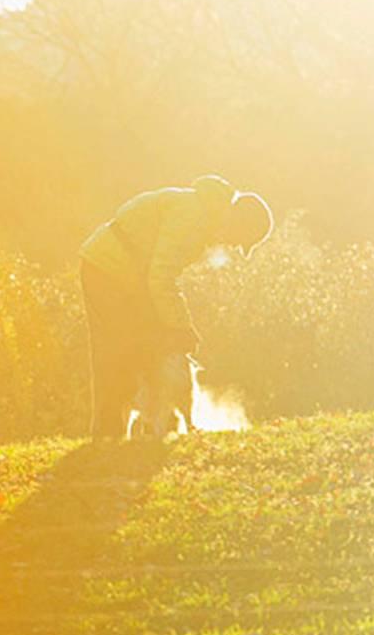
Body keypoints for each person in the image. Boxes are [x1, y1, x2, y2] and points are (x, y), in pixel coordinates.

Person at [79, 174, 273, 440]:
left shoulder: (206, 213)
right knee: (117, 350)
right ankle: (108, 435)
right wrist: (181, 326)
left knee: (153, 345)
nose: (234, 245)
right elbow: (161, 276)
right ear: (238, 222)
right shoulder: (195, 218)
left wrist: (177, 327)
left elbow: (159, 278)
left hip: (129, 276)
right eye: (240, 239)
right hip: (107, 269)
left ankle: (157, 426)